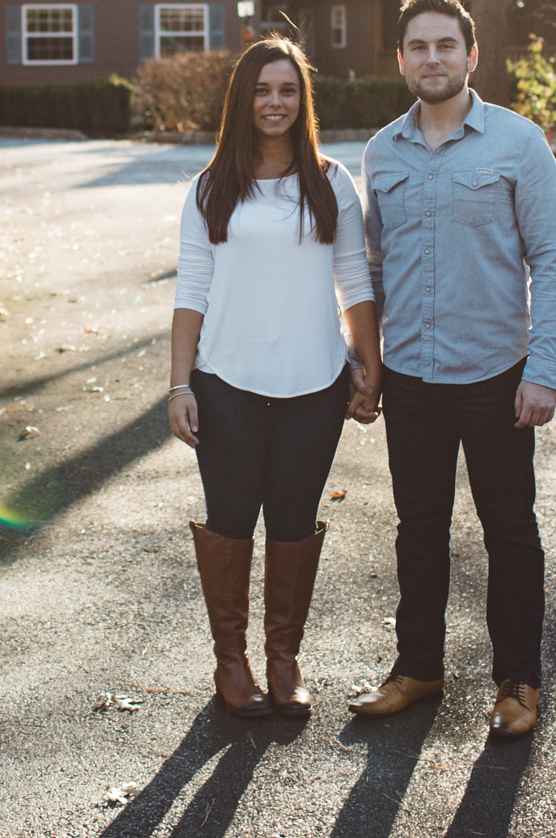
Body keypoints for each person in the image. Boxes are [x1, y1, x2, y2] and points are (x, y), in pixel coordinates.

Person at [347, 0, 556, 740]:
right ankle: (418, 667)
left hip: (496, 375)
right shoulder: (382, 151)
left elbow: (552, 261)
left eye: (447, 44)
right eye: (418, 46)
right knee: (418, 528)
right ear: (403, 58)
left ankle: (519, 680)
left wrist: (544, 367)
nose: (432, 58)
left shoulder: (518, 142)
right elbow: (372, 267)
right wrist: (367, 365)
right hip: (411, 376)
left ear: (471, 55)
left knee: (509, 528)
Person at [169, 37, 384, 718]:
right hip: (225, 384)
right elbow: (191, 291)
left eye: (287, 89)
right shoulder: (210, 189)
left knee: (293, 523)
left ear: (303, 100)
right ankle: (230, 662)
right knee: (231, 522)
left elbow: (355, 281)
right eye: (262, 89)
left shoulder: (330, 181)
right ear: (243, 98)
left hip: (314, 385)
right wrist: (180, 384)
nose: (275, 101)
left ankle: (283, 658)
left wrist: (367, 364)